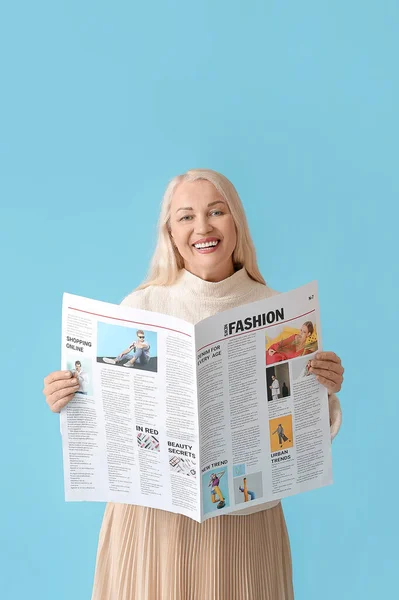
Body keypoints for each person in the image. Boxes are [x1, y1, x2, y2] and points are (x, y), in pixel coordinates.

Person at [42, 169, 344, 600]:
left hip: (243, 527)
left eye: (216, 211)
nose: (202, 227)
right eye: (186, 216)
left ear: (236, 221)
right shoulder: (141, 306)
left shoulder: (281, 314)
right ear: (170, 232)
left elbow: (304, 438)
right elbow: (107, 427)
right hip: (151, 526)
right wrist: (69, 399)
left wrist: (324, 394)